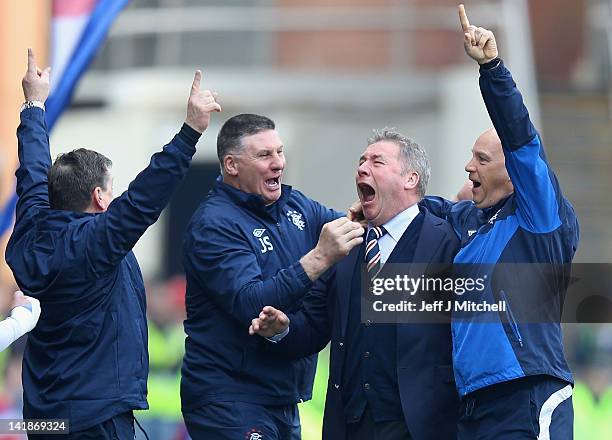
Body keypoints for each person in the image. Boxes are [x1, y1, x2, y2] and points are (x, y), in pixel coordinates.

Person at [5, 49, 220, 439]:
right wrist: (190, 131)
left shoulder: (32, 228)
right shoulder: (96, 242)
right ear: (100, 198)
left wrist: (34, 104)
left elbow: (33, 170)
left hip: (42, 418)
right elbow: (146, 196)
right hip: (95, 417)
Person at [420, 5, 579, 439]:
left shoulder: (539, 218)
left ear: (514, 173)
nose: (468, 166)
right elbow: (430, 209)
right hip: (473, 405)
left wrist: (491, 68)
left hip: (526, 394)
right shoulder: (473, 222)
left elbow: (522, 139)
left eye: (482, 158)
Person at [250, 129, 461, 440]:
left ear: (410, 179)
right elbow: (314, 324)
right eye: (362, 160)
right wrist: (282, 329)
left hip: (420, 424)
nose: (362, 167)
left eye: (377, 161)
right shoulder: (347, 247)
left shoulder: (447, 242)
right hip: (351, 423)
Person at [181, 113, 365, 439]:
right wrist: (320, 257)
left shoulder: (293, 205)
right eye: (265, 155)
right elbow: (250, 301)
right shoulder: (214, 224)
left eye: (279, 151)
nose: (278, 163)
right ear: (232, 165)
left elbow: (351, 230)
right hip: (229, 398)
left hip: (281, 398)